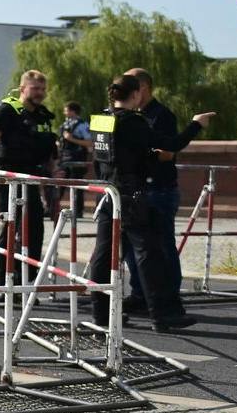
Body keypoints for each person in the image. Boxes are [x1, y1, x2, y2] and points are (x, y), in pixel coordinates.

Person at [85, 74, 192, 332]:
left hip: (107, 191)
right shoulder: (133, 121)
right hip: (131, 195)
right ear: (135, 95)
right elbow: (172, 144)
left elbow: (107, 156)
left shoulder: (100, 119)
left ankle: (101, 314)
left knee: (104, 254)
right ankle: (162, 315)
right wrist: (196, 124)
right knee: (149, 253)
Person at [126, 66, 213, 301]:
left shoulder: (161, 115)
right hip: (140, 189)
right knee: (134, 248)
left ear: (142, 87)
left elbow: (168, 152)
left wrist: (137, 153)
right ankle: (140, 293)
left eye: (129, 87)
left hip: (160, 190)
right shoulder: (131, 116)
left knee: (163, 246)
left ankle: (169, 296)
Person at [0, 70, 59, 261]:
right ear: (23, 89)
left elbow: (49, 148)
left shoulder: (42, 116)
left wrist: (54, 170)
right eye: (35, 88)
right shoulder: (5, 111)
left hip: (31, 179)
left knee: (34, 230)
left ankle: (27, 280)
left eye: (42, 89)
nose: (40, 92)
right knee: (2, 231)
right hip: (6, 179)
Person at [57, 101, 92, 218]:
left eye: (66, 110)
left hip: (77, 159)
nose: (64, 112)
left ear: (73, 111)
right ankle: (53, 208)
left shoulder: (83, 125)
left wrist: (71, 139)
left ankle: (78, 211)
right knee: (59, 184)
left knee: (77, 185)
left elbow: (89, 142)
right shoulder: (66, 124)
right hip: (64, 158)